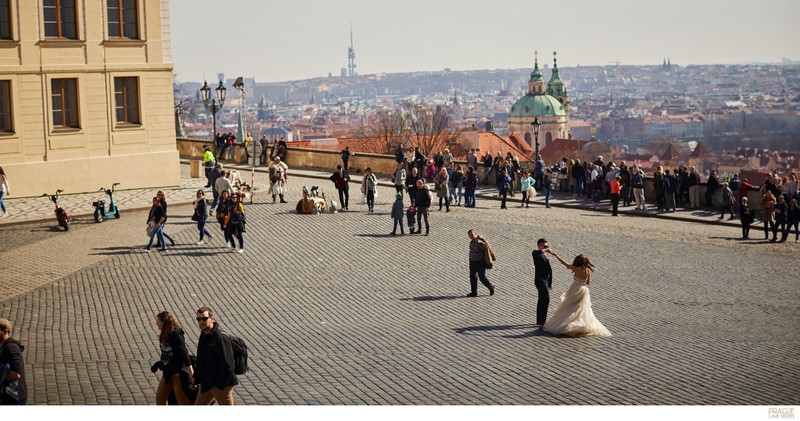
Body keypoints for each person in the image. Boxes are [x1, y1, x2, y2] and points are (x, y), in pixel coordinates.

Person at [542, 252, 612, 337]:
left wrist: (556, 255)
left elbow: (564, 263)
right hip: (583, 290)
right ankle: (580, 323)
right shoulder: (587, 270)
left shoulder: (576, 269)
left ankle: (566, 323)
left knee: (569, 306)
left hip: (574, 289)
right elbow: (588, 283)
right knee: (580, 308)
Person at [194, 306, 238, 405]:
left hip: (220, 385)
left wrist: (220, 385)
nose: (201, 322)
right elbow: (201, 358)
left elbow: (228, 365)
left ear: (212, 319)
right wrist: (197, 377)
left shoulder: (220, 338)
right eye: (199, 319)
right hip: (207, 382)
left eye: (204, 319)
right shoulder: (204, 334)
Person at [153, 311, 194, 405]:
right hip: (167, 373)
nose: (156, 323)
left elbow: (184, 354)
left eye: (158, 321)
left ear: (165, 322)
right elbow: (167, 354)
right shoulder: (164, 334)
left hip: (177, 374)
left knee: (181, 402)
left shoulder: (176, 334)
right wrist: (160, 363)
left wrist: (191, 374)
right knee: (160, 399)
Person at [0, 318, 27, 405]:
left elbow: (17, 374)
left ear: (5, 331)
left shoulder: (11, 348)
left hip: (14, 398)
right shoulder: (3, 346)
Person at [466, 230, 495, 297]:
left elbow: (487, 250)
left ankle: (491, 287)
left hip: (480, 262)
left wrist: (487, 262)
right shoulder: (471, 242)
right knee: (472, 277)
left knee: (482, 277)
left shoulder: (480, 243)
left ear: (475, 234)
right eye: (469, 235)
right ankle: (474, 292)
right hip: (472, 261)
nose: (471, 236)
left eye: (472, 234)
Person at [532, 239, 553, 326]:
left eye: (547, 246)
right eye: (544, 246)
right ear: (539, 246)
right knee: (546, 299)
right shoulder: (536, 253)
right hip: (540, 280)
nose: (546, 248)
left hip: (545, 280)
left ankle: (539, 320)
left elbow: (549, 270)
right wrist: (544, 250)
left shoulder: (544, 256)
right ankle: (542, 320)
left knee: (541, 299)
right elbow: (536, 253)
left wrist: (550, 282)